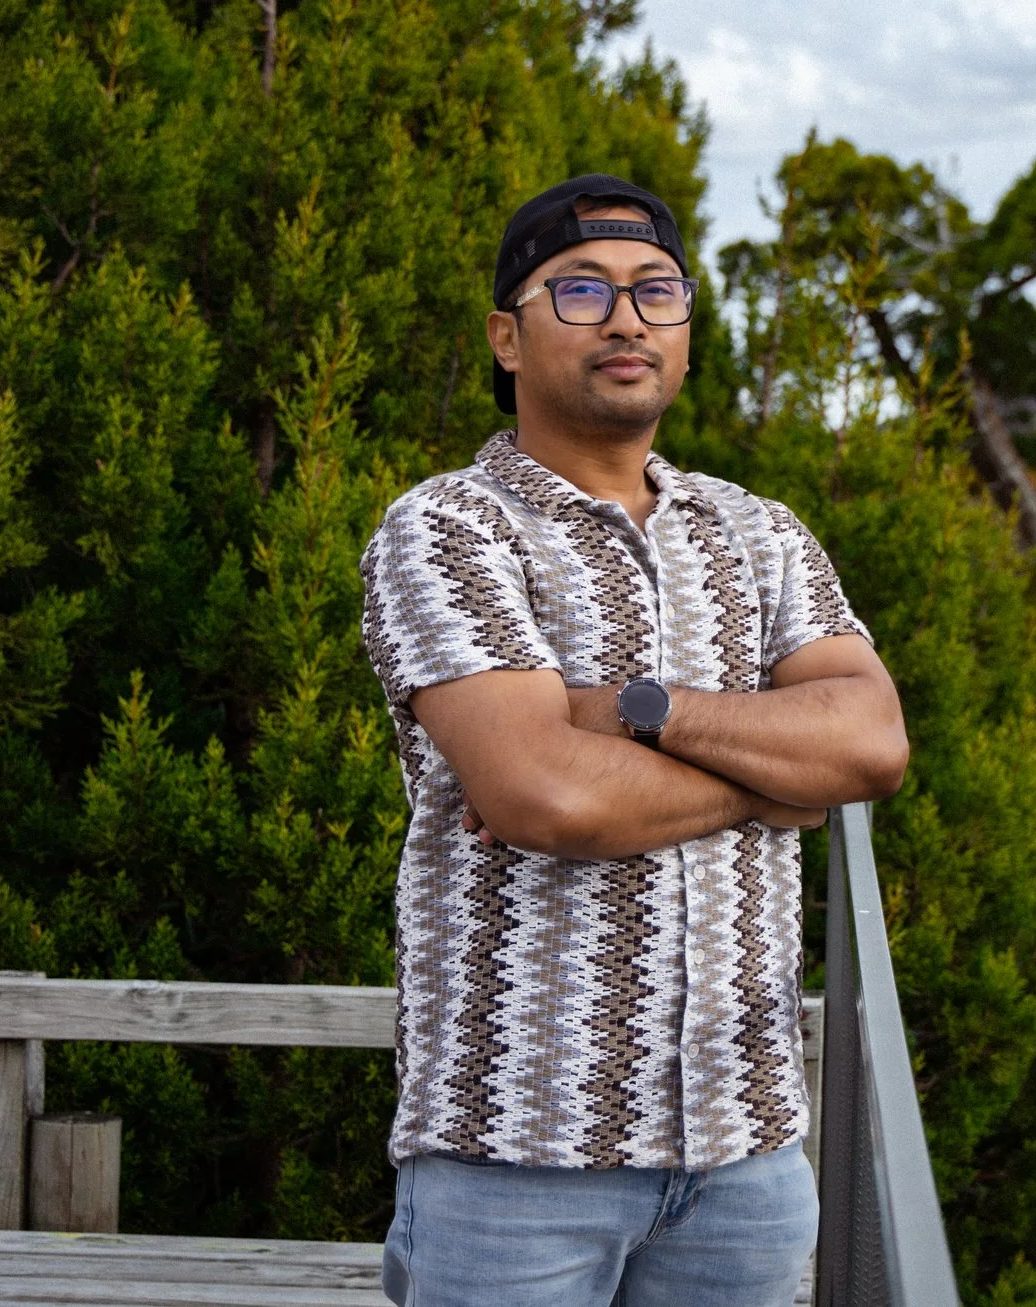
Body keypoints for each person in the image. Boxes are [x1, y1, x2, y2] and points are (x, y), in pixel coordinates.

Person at [358, 174, 910, 1307]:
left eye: (656, 291)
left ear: (687, 336)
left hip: (747, 1154)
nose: (625, 317)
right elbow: (547, 797)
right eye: (581, 291)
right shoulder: (447, 528)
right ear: (507, 338)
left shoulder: (760, 532)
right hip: (511, 1149)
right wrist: (772, 785)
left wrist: (647, 712)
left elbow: (868, 741)